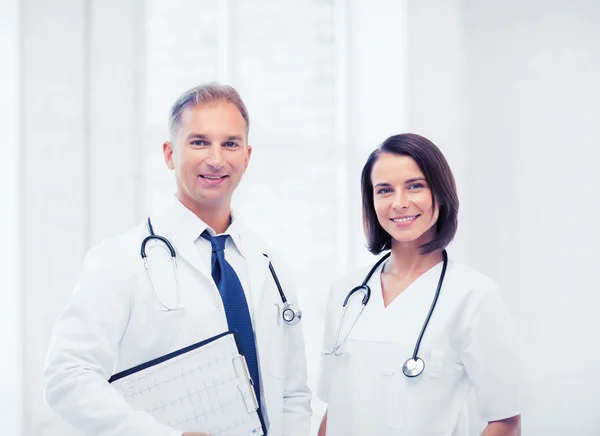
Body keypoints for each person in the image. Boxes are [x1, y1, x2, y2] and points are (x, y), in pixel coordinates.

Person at [43, 83, 312, 436]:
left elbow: (293, 394)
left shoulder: (272, 267)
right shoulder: (117, 261)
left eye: (230, 144)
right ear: (170, 154)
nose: (216, 159)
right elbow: (67, 376)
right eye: (198, 142)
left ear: (246, 157)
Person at [317, 133, 522, 436]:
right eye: (384, 190)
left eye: (414, 186)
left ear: (440, 193)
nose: (399, 203)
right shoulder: (346, 292)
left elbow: (506, 421)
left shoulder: (475, 296)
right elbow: (336, 406)